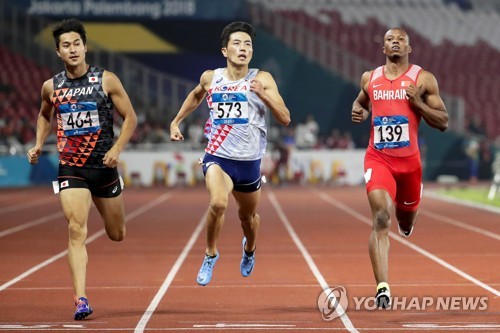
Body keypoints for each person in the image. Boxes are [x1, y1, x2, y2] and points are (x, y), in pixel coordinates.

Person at [26, 19, 137, 320]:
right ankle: (81, 299)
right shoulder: (51, 86)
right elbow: (43, 116)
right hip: (71, 168)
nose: (72, 49)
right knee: (76, 230)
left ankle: (111, 198)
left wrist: (116, 150)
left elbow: (130, 118)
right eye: (66, 45)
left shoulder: (106, 80)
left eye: (77, 44)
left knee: (117, 234)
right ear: (58, 52)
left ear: (85, 47)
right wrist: (38, 143)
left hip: (104, 166)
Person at [170, 21, 290, 286]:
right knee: (218, 203)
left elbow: (285, 117)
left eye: (248, 44)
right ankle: (211, 253)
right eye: (237, 43)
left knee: (248, 218)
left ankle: (249, 249)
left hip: (249, 162)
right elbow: (195, 95)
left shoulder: (263, 79)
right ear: (225, 50)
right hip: (218, 157)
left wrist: (264, 96)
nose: (243, 48)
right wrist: (176, 121)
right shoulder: (211, 77)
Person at [351, 28, 448, 308]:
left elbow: (443, 121)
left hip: (409, 164)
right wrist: (359, 111)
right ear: (383, 49)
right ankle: (382, 287)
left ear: (409, 48)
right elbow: (360, 103)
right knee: (381, 218)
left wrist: (417, 103)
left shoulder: (423, 79)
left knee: (405, 222)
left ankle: (408, 217)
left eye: (401, 39)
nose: (395, 42)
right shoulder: (370, 78)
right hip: (378, 159)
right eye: (390, 40)